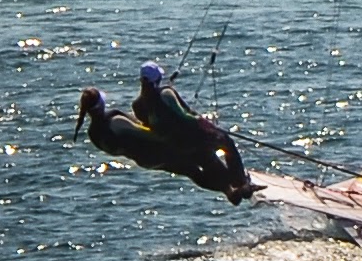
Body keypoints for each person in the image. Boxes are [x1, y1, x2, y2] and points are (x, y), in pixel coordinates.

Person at [74, 87, 252, 203]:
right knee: (203, 155)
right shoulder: (116, 122)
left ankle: (229, 191)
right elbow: (148, 134)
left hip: (147, 161)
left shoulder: (94, 134)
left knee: (192, 172)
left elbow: (123, 141)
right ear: (101, 103)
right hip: (160, 152)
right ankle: (238, 186)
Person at [132, 61, 254, 204]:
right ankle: (241, 183)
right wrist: (202, 122)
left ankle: (231, 192)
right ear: (157, 78)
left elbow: (152, 126)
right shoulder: (166, 93)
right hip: (196, 136)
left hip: (178, 145)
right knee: (227, 143)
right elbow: (183, 115)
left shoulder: (137, 106)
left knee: (210, 163)